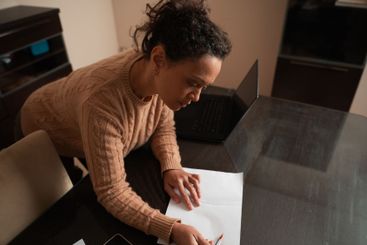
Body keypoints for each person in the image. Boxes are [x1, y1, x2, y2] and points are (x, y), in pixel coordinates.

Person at [19, 0, 231, 244]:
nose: (196, 97)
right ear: (159, 59)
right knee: (63, 201)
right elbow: (111, 191)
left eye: (203, 86)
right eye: (193, 83)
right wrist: (171, 228)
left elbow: (162, 125)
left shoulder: (154, 73)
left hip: (76, 116)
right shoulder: (102, 104)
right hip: (42, 125)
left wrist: (172, 165)